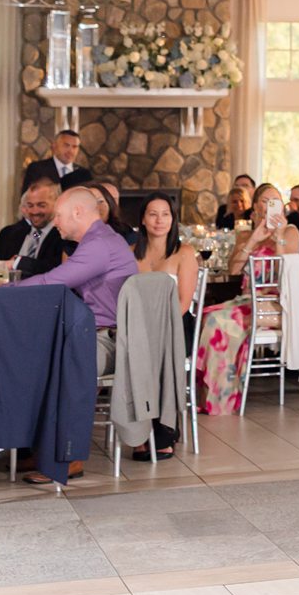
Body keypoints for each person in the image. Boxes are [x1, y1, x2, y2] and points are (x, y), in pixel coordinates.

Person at [0, 187, 136, 482]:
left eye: (58, 215)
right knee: (27, 358)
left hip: (108, 340)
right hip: (94, 331)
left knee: (57, 365)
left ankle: (68, 456)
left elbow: (54, 282)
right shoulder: (99, 239)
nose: (55, 221)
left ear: (78, 213)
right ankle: (39, 445)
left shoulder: (99, 244)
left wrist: (1, 292)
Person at [195, 183, 299, 414]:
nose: (270, 206)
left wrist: (277, 237)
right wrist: (254, 239)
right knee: (204, 316)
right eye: (265, 201)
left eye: (274, 201)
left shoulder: (290, 232)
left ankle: (220, 399)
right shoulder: (246, 234)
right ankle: (206, 392)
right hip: (247, 302)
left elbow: (287, 271)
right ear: (255, 207)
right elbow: (234, 270)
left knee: (218, 321)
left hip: (278, 305)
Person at [129, 193, 204, 461]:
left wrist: (156, 327)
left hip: (176, 323)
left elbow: (184, 302)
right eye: (153, 214)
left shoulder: (184, 253)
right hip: (139, 325)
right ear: (142, 219)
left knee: (154, 353)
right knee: (131, 354)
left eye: (165, 214)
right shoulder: (130, 255)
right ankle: (138, 431)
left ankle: (163, 432)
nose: (159, 220)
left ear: (173, 220)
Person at [0, 181, 68, 278]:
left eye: (41, 205)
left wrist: (19, 263)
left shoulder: (64, 236)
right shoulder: (8, 234)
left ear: (56, 204)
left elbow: (58, 271)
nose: (34, 211)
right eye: (30, 205)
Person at [21, 128, 98, 191]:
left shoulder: (84, 174)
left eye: (74, 147)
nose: (70, 151)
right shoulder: (36, 169)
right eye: (66, 145)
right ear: (54, 146)